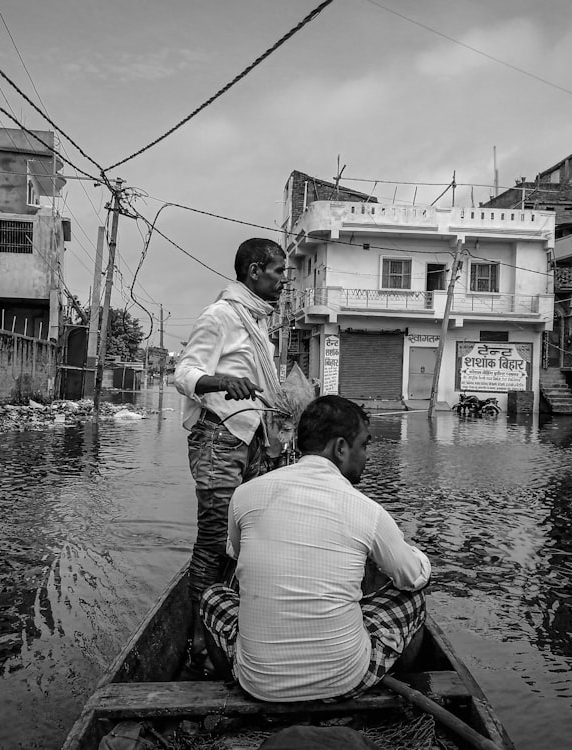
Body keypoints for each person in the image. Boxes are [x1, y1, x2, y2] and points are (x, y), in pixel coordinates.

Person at [199, 395, 431, 701]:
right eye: (364, 445)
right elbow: (412, 577)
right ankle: (398, 685)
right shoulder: (367, 510)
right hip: (345, 679)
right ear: (340, 448)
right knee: (413, 599)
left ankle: (229, 679)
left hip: (258, 683)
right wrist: (418, 557)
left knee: (213, 596)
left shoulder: (244, 494)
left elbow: (238, 557)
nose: (367, 456)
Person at [174, 237, 288, 672]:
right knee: (213, 543)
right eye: (277, 271)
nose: (283, 280)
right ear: (255, 271)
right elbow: (184, 373)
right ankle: (199, 641)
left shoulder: (257, 322)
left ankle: (228, 620)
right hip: (218, 438)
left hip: (250, 438)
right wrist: (220, 382)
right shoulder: (221, 315)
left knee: (245, 536)